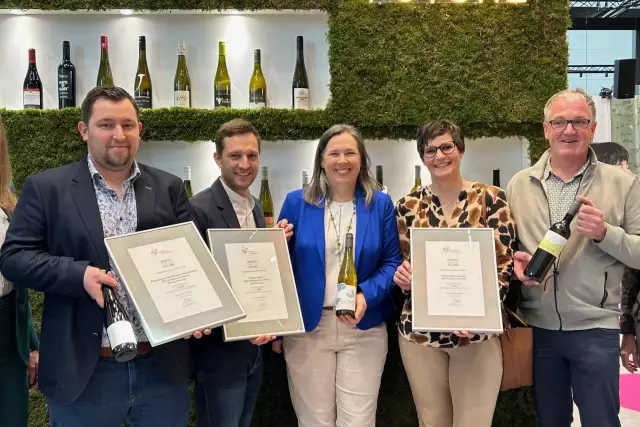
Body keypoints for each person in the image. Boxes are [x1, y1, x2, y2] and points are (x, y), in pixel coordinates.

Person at [0, 86, 193, 427]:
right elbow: (14, 257)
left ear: (139, 130)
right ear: (84, 130)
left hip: (159, 370)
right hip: (84, 374)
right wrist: (79, 275)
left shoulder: (169, 187)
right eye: (106, 124)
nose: (119, 134)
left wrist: (195, 309)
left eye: (128, 125)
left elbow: (188, 262)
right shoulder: (48, 189)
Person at [507, 88, 640, 427]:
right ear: (546, 129)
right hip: (538, 328)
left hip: (595, 329)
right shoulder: (519, 185)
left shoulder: (624, 184)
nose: (569, 130)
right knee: (550, 421)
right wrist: (513, 265)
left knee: (600, 421)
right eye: (560, 122)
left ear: (593, 128)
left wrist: (605, 233)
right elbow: (507, 250)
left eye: (579, 121)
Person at [273, 124, 401, 427]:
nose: (341, 161)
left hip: (363, 328)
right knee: (314, 421)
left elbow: (392, 262)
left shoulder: (380, 204)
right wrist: (277, 242)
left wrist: (364, 294)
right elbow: (280, 266)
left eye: (349, 153)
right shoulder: (296, 202)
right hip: (308, 328)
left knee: (357, 421)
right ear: (321, 159)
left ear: (361, 159)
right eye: (334, 153)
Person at [392, 119, 516, 427]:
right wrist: (403, 277)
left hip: (476, 336)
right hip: (420, 335)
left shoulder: (490, 199)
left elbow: (503, 265)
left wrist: (478, 316)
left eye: (446, 147)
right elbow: (403, 261)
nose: (439, 156)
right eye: (430, 150)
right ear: (423, 157)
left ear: (460, 150)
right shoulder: (407, 205)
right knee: (431, 422)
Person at [189, 118, 293, 427]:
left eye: (252, 155)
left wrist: (273, 247)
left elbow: (253, 271)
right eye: (235, 156)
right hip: (219, 356)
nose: (245, 164)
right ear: (218, 159)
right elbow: (196, 284)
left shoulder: (256, 207)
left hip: (254, 351)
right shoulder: (198, 208)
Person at [0, 117, 39, 427]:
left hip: (8, 332)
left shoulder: (8, 200)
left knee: (12, 417)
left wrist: (32, 344)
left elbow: (18, 282)